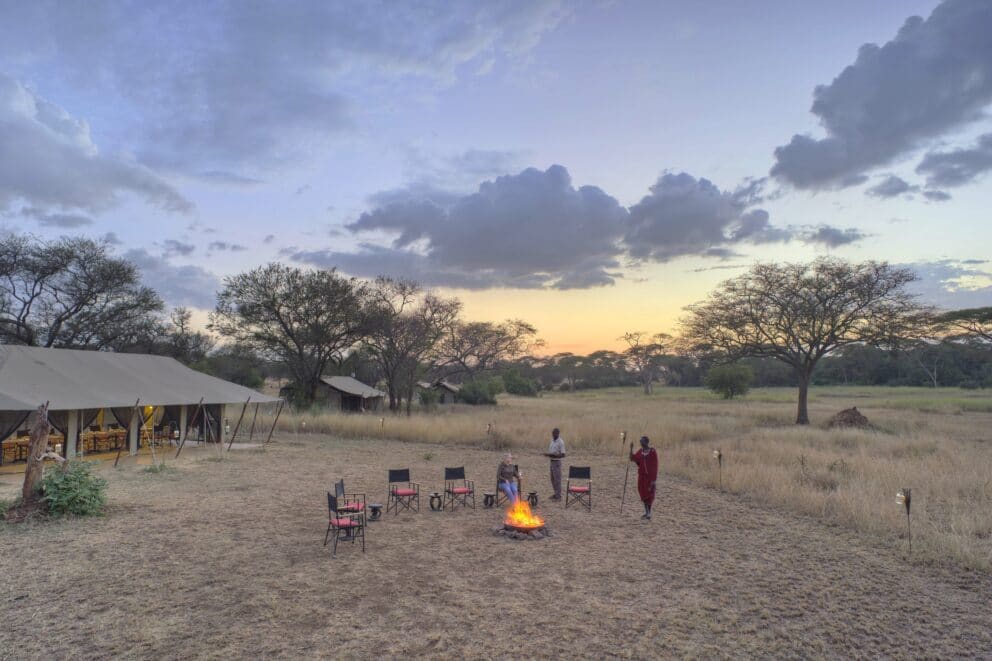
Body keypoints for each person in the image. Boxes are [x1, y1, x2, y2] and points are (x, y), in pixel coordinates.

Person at [629, 435, 659, 519]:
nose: (640, 442)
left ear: (646, 442)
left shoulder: (652, 452)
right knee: (643, 494)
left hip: (650, 478)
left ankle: (648, 513)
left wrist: (653, 479)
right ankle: (647, 513)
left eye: (642, 441)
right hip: (642, 477)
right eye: (640, 441)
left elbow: (655, 465)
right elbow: (632, 458)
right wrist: (631, 448)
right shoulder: (640, 451)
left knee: (649, 495)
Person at [546, 427, 566, 500]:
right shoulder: (552, 441)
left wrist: (555, 455)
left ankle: (558, 496)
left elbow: (563, 454)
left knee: (557, 480)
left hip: (557, 462)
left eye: (554, 433)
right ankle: (555, 494)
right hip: (551, 461)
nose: (553, 434)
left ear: (558, 434)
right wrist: (548, 455)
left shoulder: (560, 442)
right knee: (552, 479)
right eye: (552, 433)